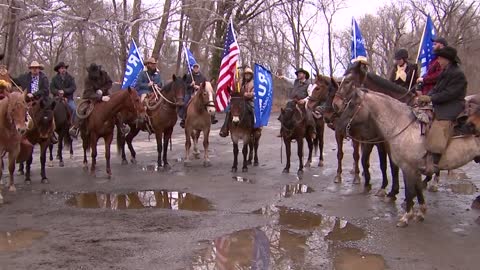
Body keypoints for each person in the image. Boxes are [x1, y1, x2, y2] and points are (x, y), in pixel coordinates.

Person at [417, 46, 467, 175]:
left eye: (440, 58)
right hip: (442, 101)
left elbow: (449, 93)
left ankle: (435, 161)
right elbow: (437, 88)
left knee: (440, 124)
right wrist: (426, 97)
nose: (438, 60)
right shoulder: (444, 72)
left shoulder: (458, 74)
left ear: (447, 59)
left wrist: (431, 98)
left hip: (454, 104)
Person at [69, 63, 119, 137]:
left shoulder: (104, 74)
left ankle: (121, 125)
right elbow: (89, 92)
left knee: (115, 106)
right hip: (90, 96)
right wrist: (100, 97)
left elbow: (109, 83)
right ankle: (76, 127)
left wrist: (102, 90)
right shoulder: (87, 79)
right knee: (81, 109)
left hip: (105, 94)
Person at [278, 68, 316, 139]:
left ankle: (312, 131)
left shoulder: (309, 84)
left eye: (300, 73)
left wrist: (304, 100)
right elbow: (289, 80)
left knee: (309, 114)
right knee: (285, 112)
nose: (298, 74)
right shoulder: (296, 81)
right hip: (294, 102)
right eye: (298, 73)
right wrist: (283, 77)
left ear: (304, 75)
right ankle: (282, 130)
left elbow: (310, 95)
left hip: (303, 103)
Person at [219, 67, 254, 137]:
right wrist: (235, 82)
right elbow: (235, 88)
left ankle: (254, 128)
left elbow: (253, 93)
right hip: (240, 100)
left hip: (249, 100)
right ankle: (225, 128)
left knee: (252, 110)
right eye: (246, 74)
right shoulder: (241, 81)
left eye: (249, 75)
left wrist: (246, 94)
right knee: (229, 110)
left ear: (251, 76)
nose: (247, 76)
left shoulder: (253, 83)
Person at [180, 63, 217, 128]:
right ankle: (184, 119)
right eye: (194, 68)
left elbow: (207, 85)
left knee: (209, 101)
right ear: (193, 68)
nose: (196, 69)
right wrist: (191, 85)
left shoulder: (202, 77)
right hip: (190, 93)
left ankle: (212, 117)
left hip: (200, 94)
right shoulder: (189, 76)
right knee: (185, 103)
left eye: (197, 67)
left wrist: (199, 87)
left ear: (198, 68)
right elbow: (184, 85)